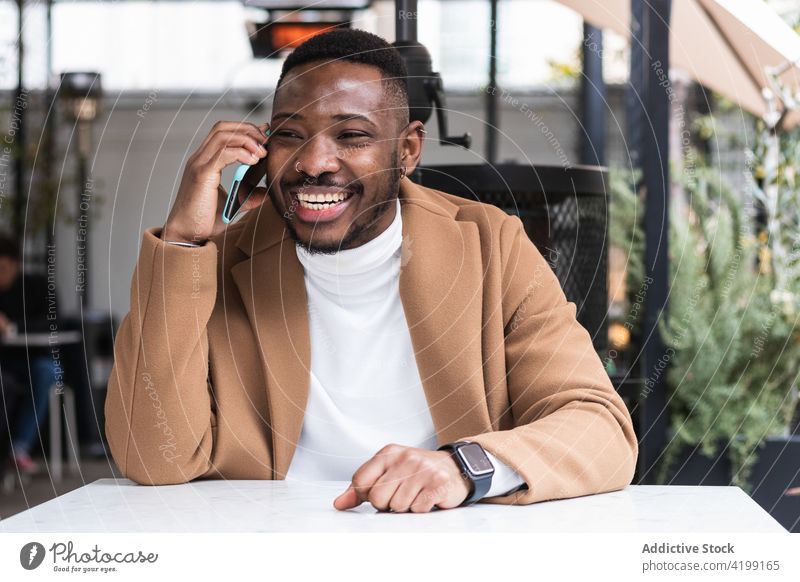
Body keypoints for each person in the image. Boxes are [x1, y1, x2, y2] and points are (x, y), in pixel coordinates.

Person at [106, 29, 637, 513]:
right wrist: (181, 242)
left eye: (353, 136)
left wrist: (464, 466)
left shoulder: (490, 245)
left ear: (406, 149)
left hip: (446, 548)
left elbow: (601, 429)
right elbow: (153, 459)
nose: (315, 162)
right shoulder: (214, 261)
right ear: (264, 146)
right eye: (291, 135)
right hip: (265, 547)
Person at [0, 235, 59, 474]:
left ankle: (20, 447)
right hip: (4, 363)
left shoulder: (36, 287)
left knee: (46, 371)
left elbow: (53, 322)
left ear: (17, 264)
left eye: (3, 269)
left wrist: (11, 327)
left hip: (31, 358)